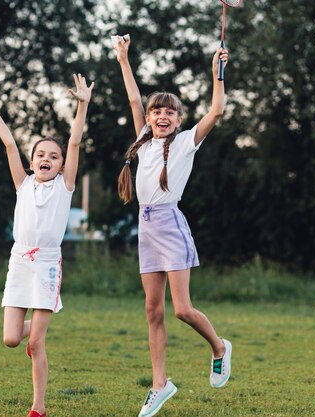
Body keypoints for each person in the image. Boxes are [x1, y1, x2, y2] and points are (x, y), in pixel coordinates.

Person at [113, 34, 232, 417]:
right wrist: (123, 59)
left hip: (171, 224)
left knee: (181, 309)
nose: (161, 116)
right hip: (146, 227)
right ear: (149, 118)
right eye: (155, 111)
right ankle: (160, 385)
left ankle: (219, 347)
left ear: (178, 120)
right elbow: (133, 98)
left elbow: (216, 112)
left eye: (169, 113)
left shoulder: (184, 144)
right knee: (153, 310)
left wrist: (218, 74)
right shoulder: (144, 142)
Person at [0, 73, 94, 417]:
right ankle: (42, 322)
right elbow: (9, 142)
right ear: (31, 161)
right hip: (19, 264)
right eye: (40, 154)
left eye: (53, 156)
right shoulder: (23, 184)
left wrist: (82, 105)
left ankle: (38, 407)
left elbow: (74, 142)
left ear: (60, 166)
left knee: (35, 343)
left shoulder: (65, 187)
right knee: (12, 339)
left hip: (47, 265)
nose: (47, 158)